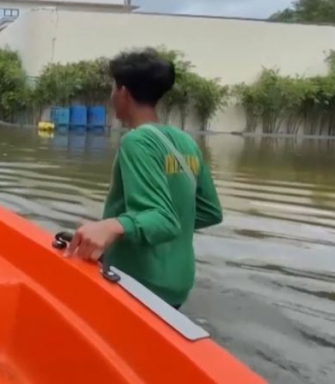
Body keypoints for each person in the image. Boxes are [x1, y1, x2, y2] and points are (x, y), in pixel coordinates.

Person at [64, 49, 222, 308]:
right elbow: (210, 212)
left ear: (123, 92)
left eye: (113, 88)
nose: (112, 96)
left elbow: (163, 218)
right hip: (179, 282)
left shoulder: (136, 142)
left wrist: (114, 226)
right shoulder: (186, 142)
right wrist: (127, 228)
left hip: (140, 281)